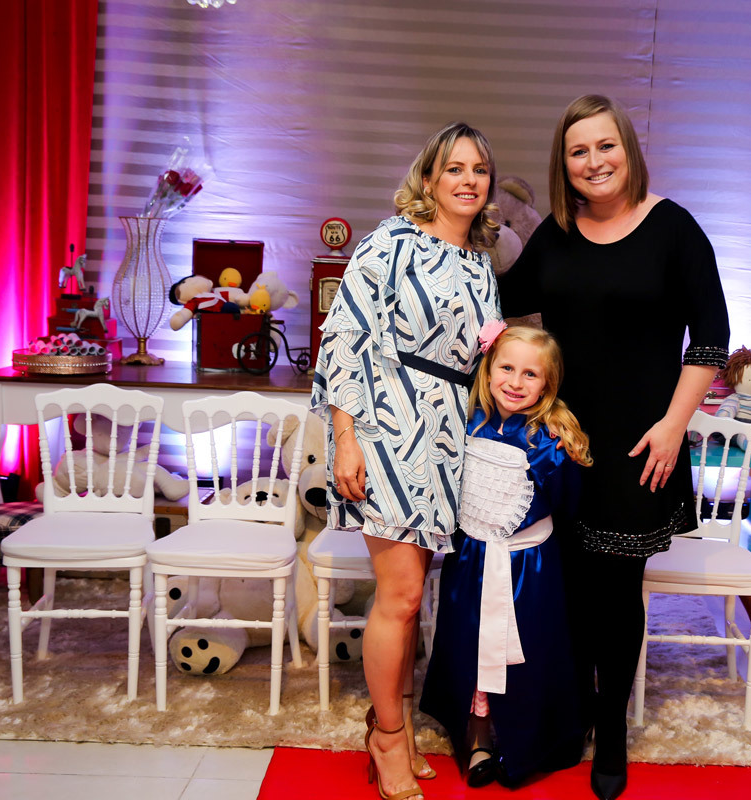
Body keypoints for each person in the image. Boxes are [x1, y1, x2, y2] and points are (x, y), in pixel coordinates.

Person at [496, 94, 730, 800]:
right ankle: (570, 711)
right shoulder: (557, 234)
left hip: (639, 444)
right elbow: (500, 303)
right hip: (561, 440)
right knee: (565, 582)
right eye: (578, 151)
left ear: (628, 149)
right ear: (562, 164)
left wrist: (675, 424)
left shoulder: (674, 229)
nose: (594, 161)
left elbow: (711, 338)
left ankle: (613, 724)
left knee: (616, 591)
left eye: (606, 146)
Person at [311, 121, 501, 800]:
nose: (468, 180)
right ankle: (389, 738)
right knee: (402, 595)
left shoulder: (483, 264)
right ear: (428, 179)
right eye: (454, 168)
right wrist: (345, 437)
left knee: (417, 595)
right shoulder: (391, 241)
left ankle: (394, 722)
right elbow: (344, 339)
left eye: (479, 169)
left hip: (450, 434)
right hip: (387, 425)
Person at [421, 324, 592, 788]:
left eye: (530, 374)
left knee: (527, 655)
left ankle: (526, 742)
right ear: (489, 369)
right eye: (507, 368)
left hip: (528, 569)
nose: (516, 382)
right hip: (470, 563)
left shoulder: (550, 439)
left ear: (548, 383)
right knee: (471, 649)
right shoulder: (466, 421)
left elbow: (569, 503)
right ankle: (477, 736)